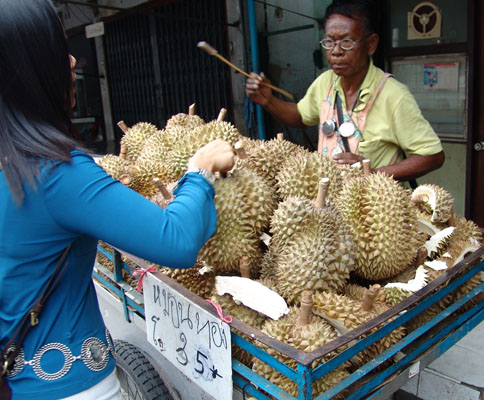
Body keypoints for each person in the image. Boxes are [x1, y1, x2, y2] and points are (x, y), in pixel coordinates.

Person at [0, 1, 235, 399]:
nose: (73, 60)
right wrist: (199, 171)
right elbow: (174, 239)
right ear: (33, 68)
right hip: (72, 388)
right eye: (60, 49)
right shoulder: (57, 173)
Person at [246, 0, 444, 183]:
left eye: (347, 42)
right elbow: (300, 116)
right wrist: (268, 101)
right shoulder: (325, 82)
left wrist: (373, 173)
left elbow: (432, 155)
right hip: (330, 208)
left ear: (371, 44)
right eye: (329, 42)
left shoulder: (393, 95)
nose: (336, 51)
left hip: (371, 210)